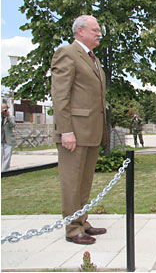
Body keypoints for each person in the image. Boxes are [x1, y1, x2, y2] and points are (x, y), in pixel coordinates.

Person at [51, 15, 108, 245]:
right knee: (71, 182)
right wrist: (65, 130)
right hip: (73, 132)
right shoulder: (67, 53)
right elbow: (60, 95)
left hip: (91, 132)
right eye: (95, 30)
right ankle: (72, 229)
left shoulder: (93, 59)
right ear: (80, 31)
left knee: (84, 182)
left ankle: (82, 221)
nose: (99, 33)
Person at [1, 103, 16, 171]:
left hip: (8, 140)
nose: (3, 110)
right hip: (1, 139)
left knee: (7, 156)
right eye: (2, 108)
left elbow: (12, 125)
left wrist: (8, 117)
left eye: (5, 108)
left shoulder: (11, 117)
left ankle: (5, 171)